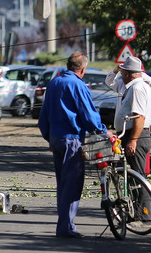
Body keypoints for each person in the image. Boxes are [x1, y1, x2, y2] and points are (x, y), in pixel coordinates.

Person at [38, 52, 111, 239]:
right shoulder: (78, 85)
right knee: (72, 184)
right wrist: (103, 131)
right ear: (83, 69)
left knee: (62, 183)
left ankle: (64, 223)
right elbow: (88, 115)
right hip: (72, 140)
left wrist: (49, 137)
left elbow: (43, 116)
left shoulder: (53, 83)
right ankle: (65, 227)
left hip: (56, 138)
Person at [105, 57, 151, 220]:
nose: (122, 76)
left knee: (138, 176)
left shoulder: (139, 88)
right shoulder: (134, 86)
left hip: (137, 135)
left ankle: (144, 214)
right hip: (131, 134)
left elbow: (139, 117)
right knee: (133, 175)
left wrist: (133, 140)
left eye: (124, 72)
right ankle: (136, 210)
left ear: (129, 73)